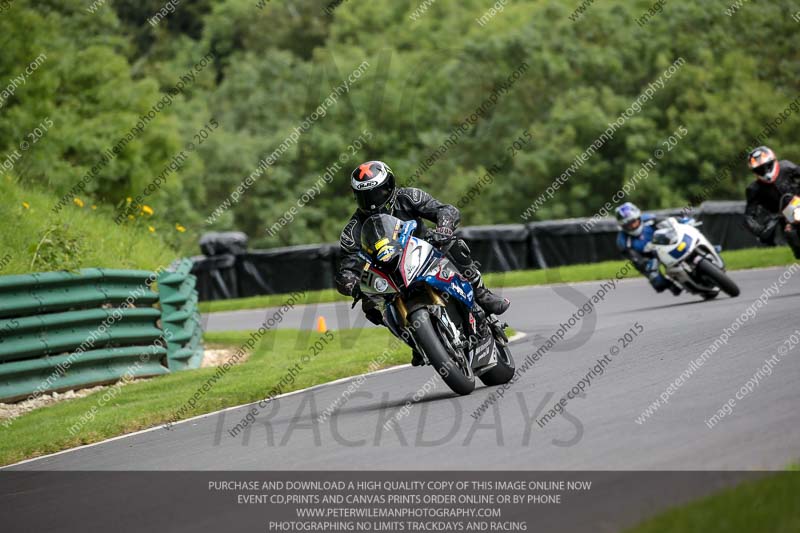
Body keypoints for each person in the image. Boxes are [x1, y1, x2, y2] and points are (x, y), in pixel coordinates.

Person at [335, 160, 510, 365]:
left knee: (454, 245)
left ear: (390, 186)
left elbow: (446, 210)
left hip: (425, 252)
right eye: (366, 196)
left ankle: (480, 291)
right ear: (357, 197)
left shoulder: (408, 197)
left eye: (378, 192)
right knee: (371, 307)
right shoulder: (352, 230)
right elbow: (347, 265)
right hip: (388, 273)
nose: (373, 201)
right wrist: (351, 283)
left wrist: (443, 228)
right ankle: (418, 341)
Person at [743, 146, 800, 258]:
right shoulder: (754, 189)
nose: (765, 171)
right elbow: (748, 216)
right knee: (790, 233)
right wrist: (759, 230)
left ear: (773, 161)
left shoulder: (786, 167)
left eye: (767, 166)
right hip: (786, 217)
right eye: (760, 169)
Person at [614, 202, 682, 295]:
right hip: (647, 257)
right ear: (623, 226)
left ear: (638, 217)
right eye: (629, 225)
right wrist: (645, 263)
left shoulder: (649, 219)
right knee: (657, 281)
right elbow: (635, 259)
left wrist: (682, 221)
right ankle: (671, 285)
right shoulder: (623, 240)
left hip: (663, 245)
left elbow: (670, 222)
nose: (633, 226)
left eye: (634, 222)